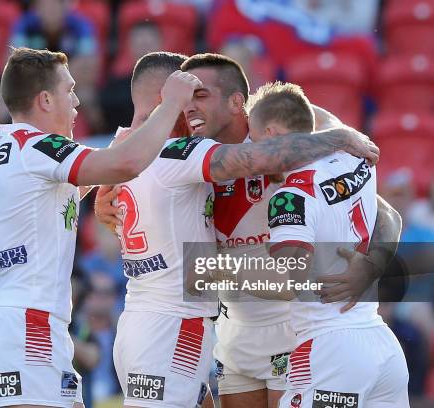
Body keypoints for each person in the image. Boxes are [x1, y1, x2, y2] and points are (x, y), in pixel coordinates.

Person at [95, 53, 398, 408]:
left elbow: (385, 211)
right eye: (185, 96)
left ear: (238, 102)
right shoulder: (187, 156)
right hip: (234, 335)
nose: (190, 107)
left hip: (292, 332)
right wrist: (108, 194)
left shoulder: (289, 142)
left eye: (201, 95)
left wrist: (374, 262)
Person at [0, 47, 203, 408]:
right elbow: (126, 164)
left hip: (29, 324)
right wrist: (170, 105)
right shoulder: (39, 146)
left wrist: (107, 166)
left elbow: (60, 194)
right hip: (29, 329)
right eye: (69, 90)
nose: (77, 101)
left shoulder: (4, 149)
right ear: (45, 99)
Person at [246, 81, 409, 408]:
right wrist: (373, 266)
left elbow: (291, 281)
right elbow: (391, 215)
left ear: (273, 134)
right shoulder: (352, 152)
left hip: (329, 350)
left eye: (254, 138)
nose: (251, 151)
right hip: (380, 344)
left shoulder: (291, 196)